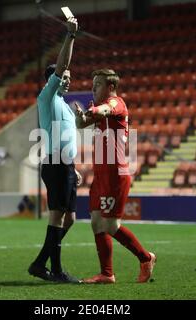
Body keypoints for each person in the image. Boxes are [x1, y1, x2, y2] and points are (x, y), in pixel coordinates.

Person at [76, 69, 156, 284]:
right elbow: (81, 123)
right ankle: (107, 274)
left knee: (110, 225)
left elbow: (105, 109)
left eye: (98, 85)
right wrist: (81, 117)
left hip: (115, 174)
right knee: (96, 222)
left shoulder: (116, 103)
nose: (93, 89)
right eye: (93, 85)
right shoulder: (101, 111)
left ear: (110, 87)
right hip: (100, 175)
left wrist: (91, 111)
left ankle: (146, 257)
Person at [27, 17, 82, 283]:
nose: (68, 80)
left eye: (70, 78)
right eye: (64, 77)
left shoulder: (66, 106)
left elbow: (69, 138)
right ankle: (55, 270)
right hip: (54, 163)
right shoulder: (47, 97)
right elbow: (62, 66)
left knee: (70, 218)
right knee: (58, 216)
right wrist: (70, 36)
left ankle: (41, 262)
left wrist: (74, 167)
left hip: (66, 164)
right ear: (52, 79)